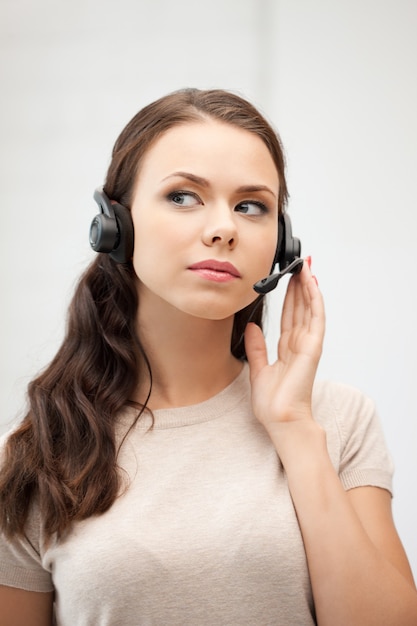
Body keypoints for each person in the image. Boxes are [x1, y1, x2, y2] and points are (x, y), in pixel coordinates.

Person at [0, 88, 416, 626]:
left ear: (281, 244)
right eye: (183, 196)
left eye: (251, 206)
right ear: (115, 225)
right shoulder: (40, 450)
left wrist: (292, 429)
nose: (224, 228)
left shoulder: (338, 419)